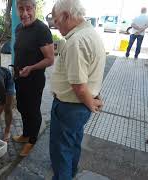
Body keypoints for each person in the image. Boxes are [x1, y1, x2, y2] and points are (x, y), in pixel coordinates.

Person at [50, 0, 106, 179]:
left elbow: (80, 87)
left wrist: (91, 105)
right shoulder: (91, 33)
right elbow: (93, 73)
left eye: (56, 21)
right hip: (79, 107)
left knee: (61, 153)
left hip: (70, 107)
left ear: (66, 16)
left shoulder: (76, 41)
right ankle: (71, 174)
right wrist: (95, 97)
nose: (55, 26)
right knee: (73, 145)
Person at [13, 0, 54, 156]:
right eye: (21, 9)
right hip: (19, 77)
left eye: (28, 9)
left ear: (35, 8)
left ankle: (32, 140)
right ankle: (25, 134)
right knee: (22, 107)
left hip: (34, 80)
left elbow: (50, 59)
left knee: (33, 110)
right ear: (17, 10)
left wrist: (31, 68)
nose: (25, 14)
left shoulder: (42, 30)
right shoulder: (18, 28)